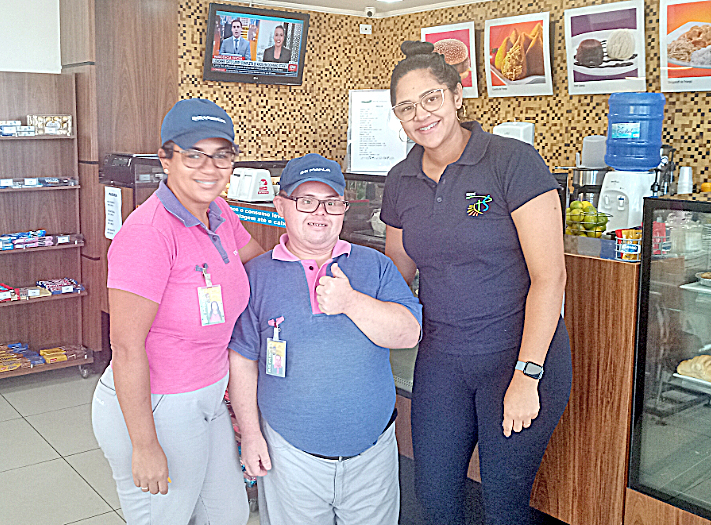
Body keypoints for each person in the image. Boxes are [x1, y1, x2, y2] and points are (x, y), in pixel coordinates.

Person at [382, 40, 573, 525]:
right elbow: (399, 273)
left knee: (503, 505)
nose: (422, 115)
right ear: (398, 117)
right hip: (442, 361)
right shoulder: (401, 179)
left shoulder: (511, 161)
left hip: (516, 357)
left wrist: (527, 376)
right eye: (407, 107)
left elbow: (550, 277)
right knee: (435, 497)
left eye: (431, 98)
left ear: (456, 95)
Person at [92, 98, 263, 525]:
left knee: (228, 514)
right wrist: (145, 445)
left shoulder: (219, 212)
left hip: (208, 395)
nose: (210, 168)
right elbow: (125, 347)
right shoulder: (148, 233)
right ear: (165, 159)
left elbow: (259, 265)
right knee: (165, 517)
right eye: (194, 155)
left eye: (221, 155)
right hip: (157, 404)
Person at [227, 153, 422, 525]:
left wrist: (351, 302)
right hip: (289, 457)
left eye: (332, 202)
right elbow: (242, 361)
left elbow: (409, 333)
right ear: (281, 205)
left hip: (373, 457)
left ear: (344, 209)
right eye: (306, 201)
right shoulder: (257, 276)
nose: (320, 212)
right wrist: (251, 435)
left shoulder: (375, 265)